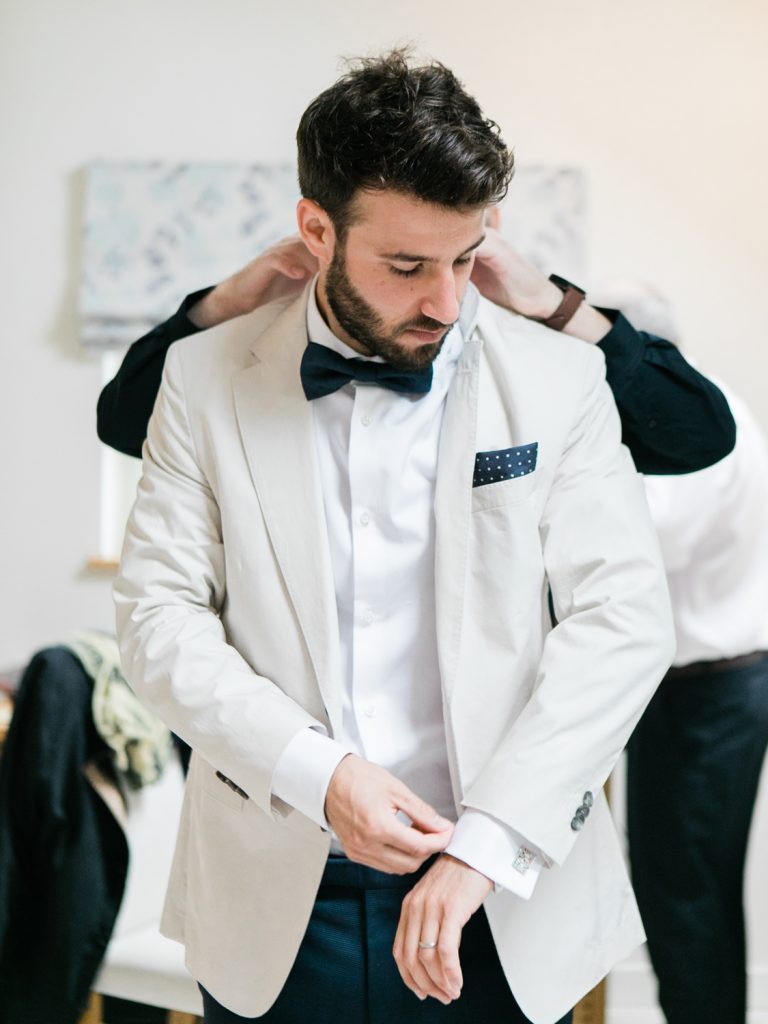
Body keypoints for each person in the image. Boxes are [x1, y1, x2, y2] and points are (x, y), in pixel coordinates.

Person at [113, 51, 680, 1024]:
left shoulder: (561, 381)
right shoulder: (199, 381)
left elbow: (624, 620)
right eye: (408, 266)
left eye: (465, 259)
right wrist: (321, 774)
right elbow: (159, 623)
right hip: (276, 902)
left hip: (501, 897)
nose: (447, 303)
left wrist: (485, 845)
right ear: (315, 229)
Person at [593, 282, 768, 1024]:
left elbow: (637, 558)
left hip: (710, 691)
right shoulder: (688, 406)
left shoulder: (693, 422)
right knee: (678, 885)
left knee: (685, 891)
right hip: (688, 684)